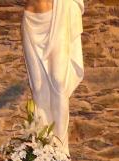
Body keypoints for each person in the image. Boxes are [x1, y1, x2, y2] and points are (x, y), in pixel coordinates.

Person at [22, 0, 84, 152]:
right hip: (31, 18)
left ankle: (61, 149)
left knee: (58, 82)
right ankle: (43, 147)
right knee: (37, 87)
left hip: (58, 15)